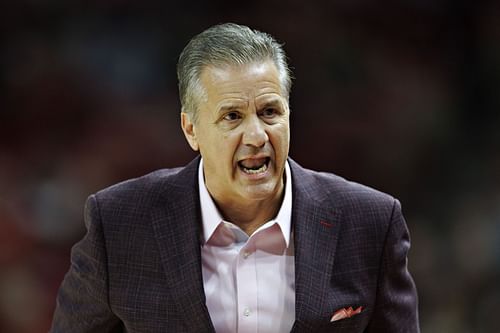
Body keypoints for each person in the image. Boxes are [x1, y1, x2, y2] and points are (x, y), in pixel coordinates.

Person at [50, 23, 419, 333]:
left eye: (270, 111)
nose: (257, 135)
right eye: (232, 116)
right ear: (191, 129)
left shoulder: (371, 222)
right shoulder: (118, 224)